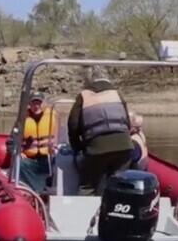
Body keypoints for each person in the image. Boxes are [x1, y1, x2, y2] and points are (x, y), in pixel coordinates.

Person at [67, 66, 133, 195]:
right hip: (124, 147)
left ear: (89, 79)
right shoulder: (116, 94)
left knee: (88, 186)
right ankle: (117, 210)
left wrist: (78, 148)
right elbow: (127, 122)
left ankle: (85, 213)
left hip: (96, 149)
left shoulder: (83, 96)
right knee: (118, 184)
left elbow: (73, 125)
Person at [9, 92, 56, 194]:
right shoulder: (22, 120)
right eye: (34, 103)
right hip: (30, 159)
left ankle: (57, 191)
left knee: (63, 161)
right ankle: (37, 191)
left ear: (44, 104)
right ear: (29, 105)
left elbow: (62, 136)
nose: (36, 106)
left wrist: (56, 148)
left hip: (48, 158)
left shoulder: (53, 117)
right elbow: (11, 142)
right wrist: (18, 152)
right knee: (20, 163)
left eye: (39, 103)